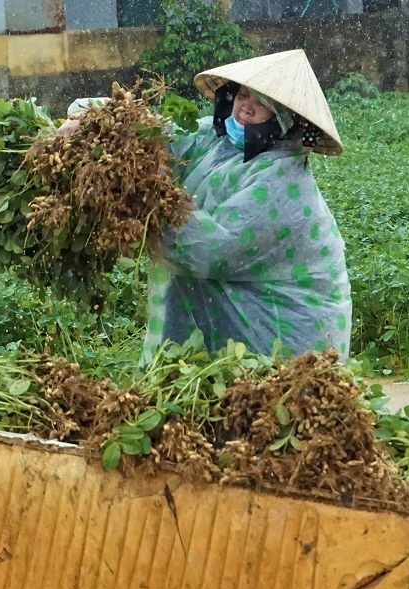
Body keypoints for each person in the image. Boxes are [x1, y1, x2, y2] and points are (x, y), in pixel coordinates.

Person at [65, 50, 353, 363]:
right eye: (243, 95)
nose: (246, 108)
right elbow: (158, 136)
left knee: (268, 401)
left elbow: (208, 252)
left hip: (284, 328)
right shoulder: (215, 137)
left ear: (284, 120)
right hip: (226, 308)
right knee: (197, 396)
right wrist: (95, 122)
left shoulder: (284, 181)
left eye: (263, 106)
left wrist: (149, 188)